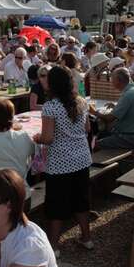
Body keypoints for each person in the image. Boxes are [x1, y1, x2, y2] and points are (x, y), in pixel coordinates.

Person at [33, 66, 92, 256]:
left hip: (60, 162)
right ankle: (87, 238)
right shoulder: (81, 102)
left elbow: (48, 138)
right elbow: (87, 128)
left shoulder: (51, 106)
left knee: (56, 204)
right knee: (81, 200)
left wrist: (37, 137)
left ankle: (54, 246)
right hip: (82, 158)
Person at [91, 68, 134, 150]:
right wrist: (116, 106)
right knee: (102, 134)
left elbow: (110, 118)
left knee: (94, 145)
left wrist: (94, 112)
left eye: (112, 79)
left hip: (130, 138)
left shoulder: (128, 94)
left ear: (118, 81)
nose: (111, 82)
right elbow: (129, 108)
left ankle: (96, 162)